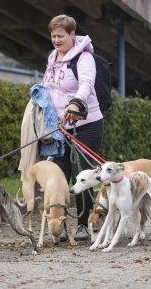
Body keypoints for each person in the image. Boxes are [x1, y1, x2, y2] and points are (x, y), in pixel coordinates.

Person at [41, 14, 104, 240]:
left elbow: (86, 83)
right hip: (60, 128)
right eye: (53, 36)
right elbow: (50, 86)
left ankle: (86, 223)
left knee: (81, 175)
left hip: (86, 125)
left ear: (71, 34)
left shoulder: (83, 58)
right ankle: (57, 223)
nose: (56, 40)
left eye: (61, 36)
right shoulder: (52, 57)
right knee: (58, 175)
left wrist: (77, 103)